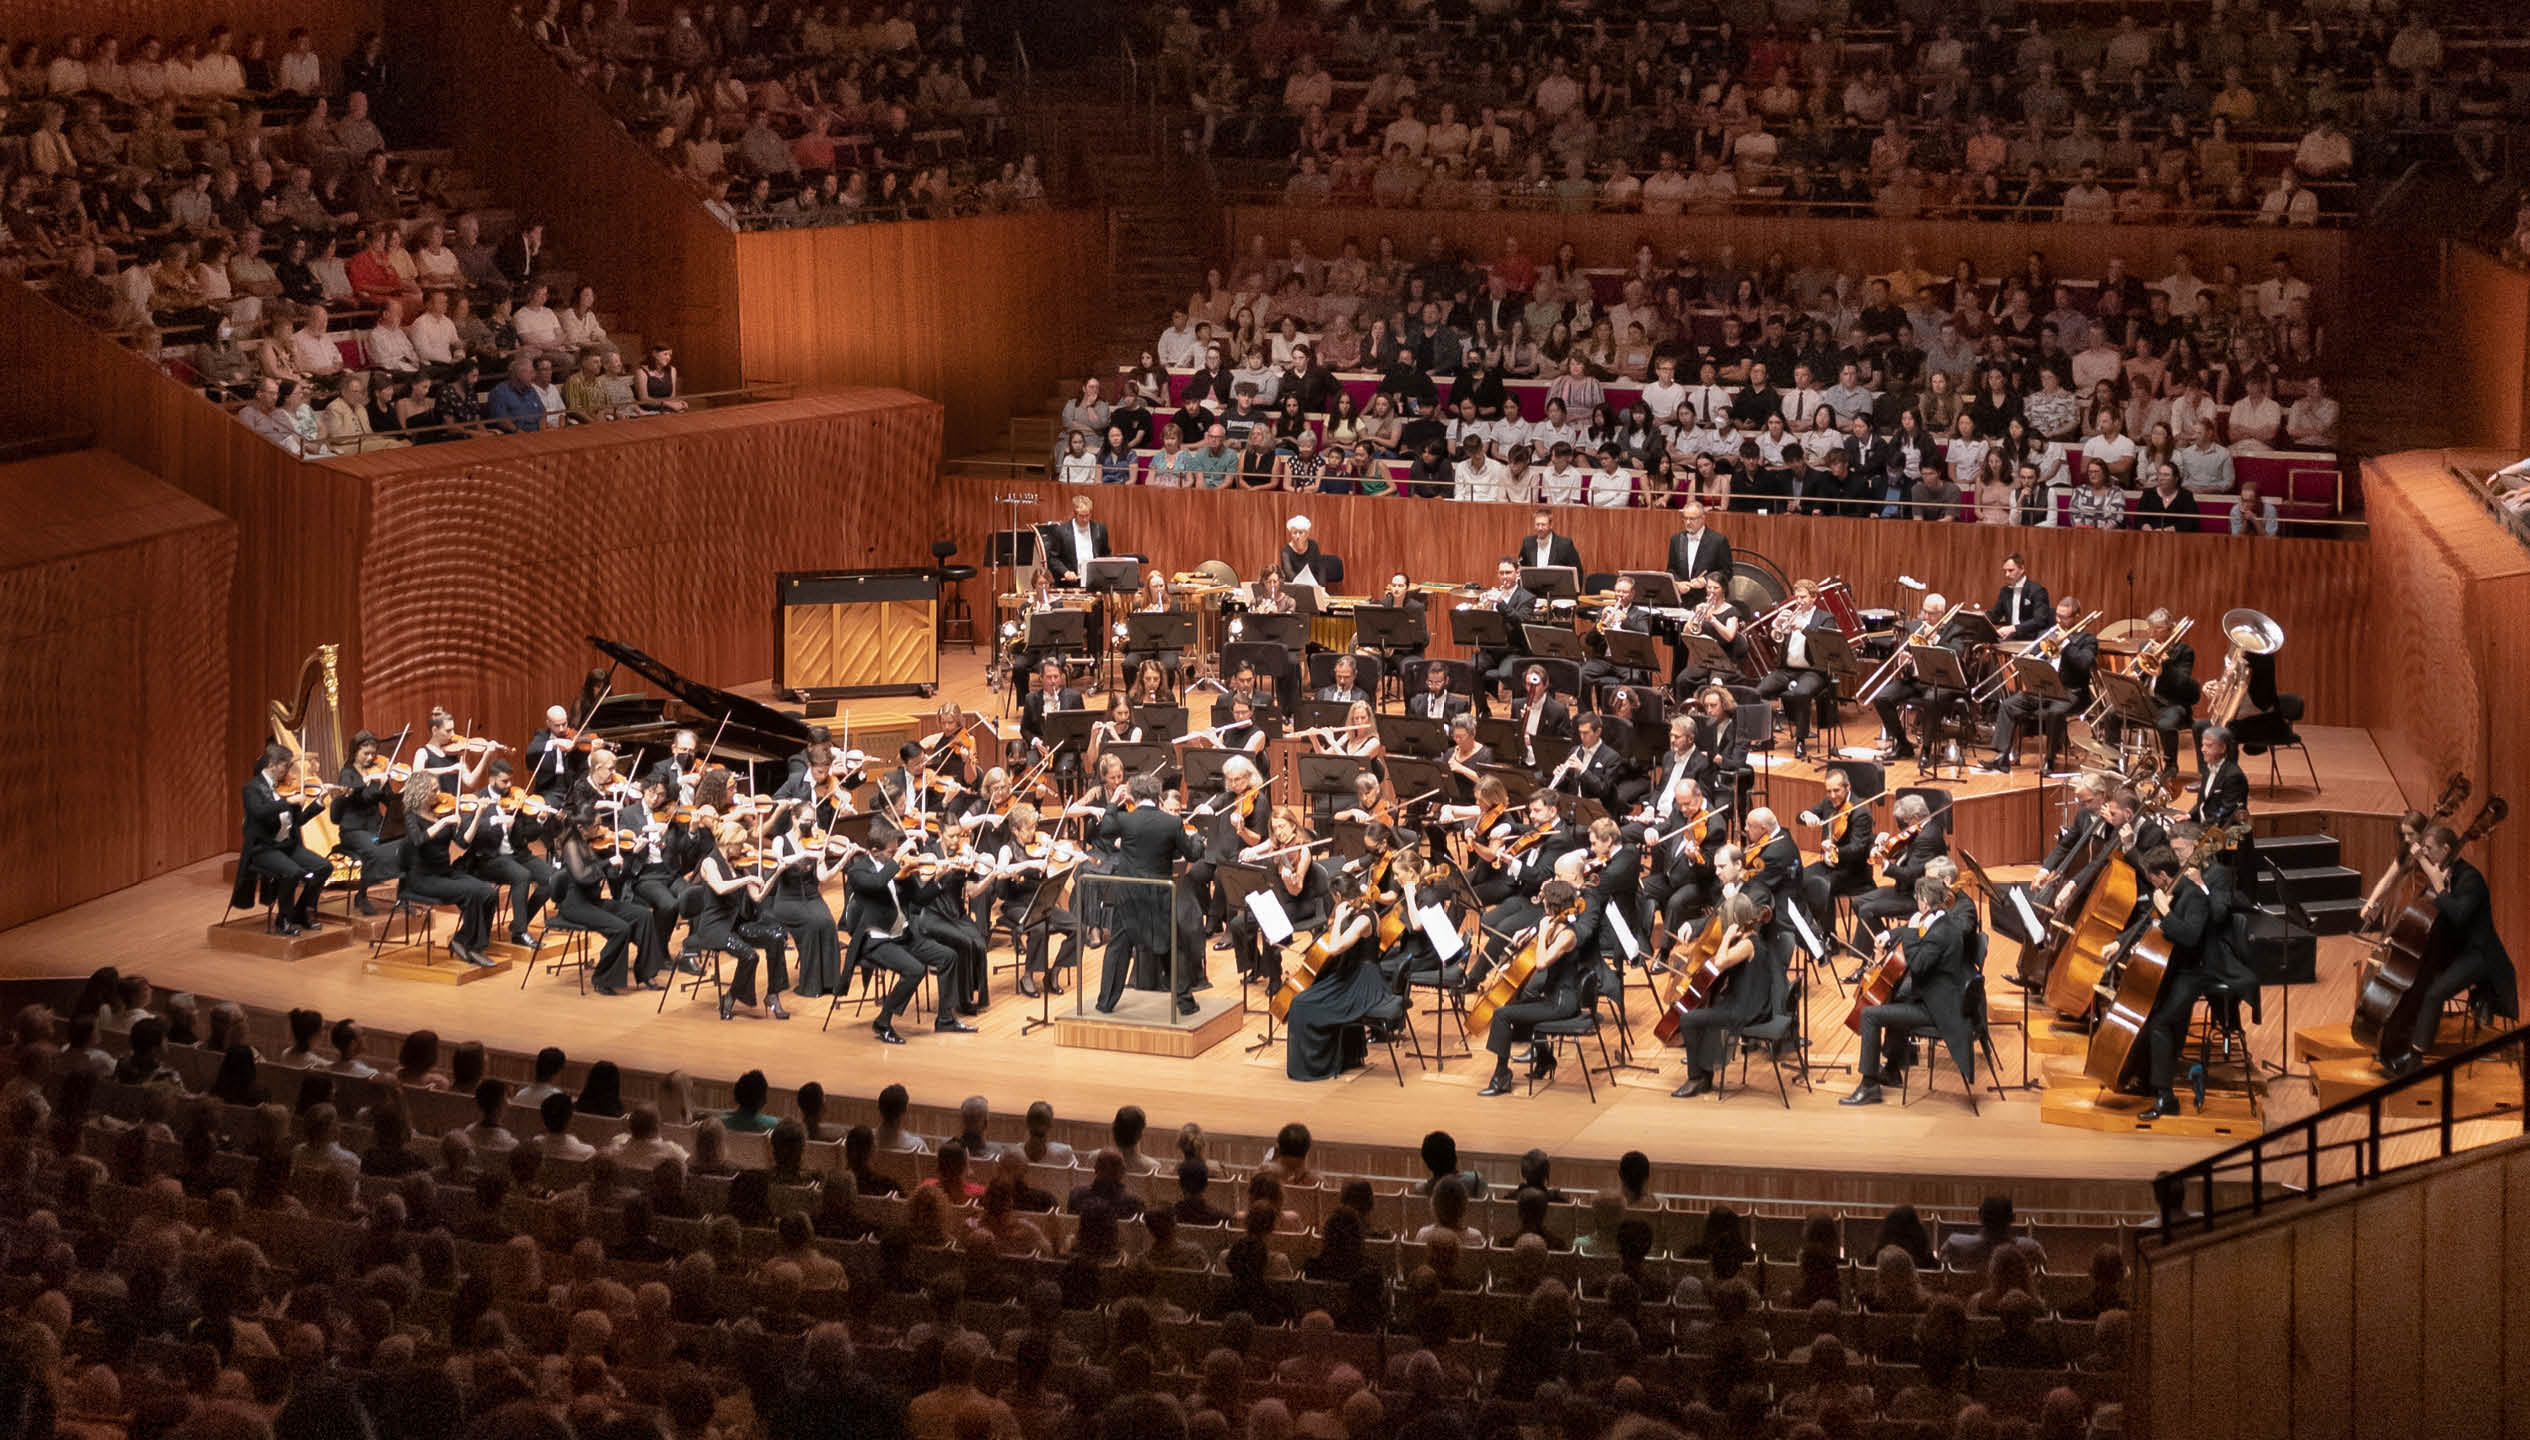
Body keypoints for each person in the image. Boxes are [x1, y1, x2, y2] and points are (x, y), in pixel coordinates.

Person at [2386, 823, 2516, 1075]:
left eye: (2429, 849)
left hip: (2481, 954)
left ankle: (2415, 1058)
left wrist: (2440, 890)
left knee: (2435, 992)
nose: (2426, 855)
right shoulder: (2446, 874)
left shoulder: (2471, 879)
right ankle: (2403, 1035)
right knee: (2419, 980)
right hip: (2458, 951)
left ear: (2446, 849)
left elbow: (2458, 915)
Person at [1841, 876, 1978, 1104]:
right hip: (1938, 999)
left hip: (1935, 1010)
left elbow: (1918, 965)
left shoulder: (1940, 933)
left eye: (1917, 899)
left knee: (1869, 1015)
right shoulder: (1942, 923)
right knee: (1895, 999)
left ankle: (1869, 1085)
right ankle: (1893, 1069)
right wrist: (1908, 933)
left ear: (1924, 902)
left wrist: (1912, 933)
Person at [1095, 774, 1204, 1015]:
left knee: (1118, 947)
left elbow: (1104, 830)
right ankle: (1185, 1003)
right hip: (1159, 894)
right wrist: (1197, 838)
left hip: (1128, 894)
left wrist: (1113, 802)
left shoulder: (1125, 820)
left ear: (1132, 796)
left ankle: (1105, 1003)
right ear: (1157, 796)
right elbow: (1193, 854)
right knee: (1171, 946)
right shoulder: (1171, 823)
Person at [1478, 877, 1593, 1097]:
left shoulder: (1567, 935)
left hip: (1561, 1004)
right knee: (1522, 1003)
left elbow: (1541, 963)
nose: (1542, 906)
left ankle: (1502, 1076)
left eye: (1544, 902)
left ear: (1551, 906)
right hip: (1555, 997)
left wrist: (1541, 933)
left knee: (1502, 1015)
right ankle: (1545, 1058)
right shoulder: (1558, 927)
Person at [1664, 892, 1787, 1098]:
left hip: (1746, 1010)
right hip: (1746, 1003)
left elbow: (1720, 962)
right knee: (1706, 1013)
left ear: (1733, 921)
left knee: (1688, 1019)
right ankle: (1705, 1074)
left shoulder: (1747, 945)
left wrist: (1727, 936)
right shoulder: (1747, 939)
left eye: (1724, 919)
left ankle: (1696, 1078)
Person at [1282, 890, 1398, 1081]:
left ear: (1338, 896)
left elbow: (1335, 948)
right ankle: (1342, 1057)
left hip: (1363, 984)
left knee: (1301, 1004)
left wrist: (1338, 920)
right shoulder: (1363, 913)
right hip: (1355, 976)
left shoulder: (1363, 920)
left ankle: (1316, 1066)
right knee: (1307, 998)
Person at [234, 742, 333, 935]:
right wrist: (286, 802)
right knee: (292, 872)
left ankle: (302, 911)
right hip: (263, 849)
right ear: (272, 764)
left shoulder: (286, 788)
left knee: (324, 867)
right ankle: (283, 919)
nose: (288, 771)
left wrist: (319, 801)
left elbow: (298, 821)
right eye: (285, 766)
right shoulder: (252, 789)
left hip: (287, 846)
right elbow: (258, 812)